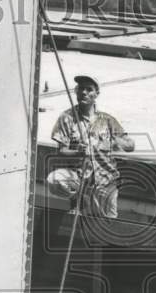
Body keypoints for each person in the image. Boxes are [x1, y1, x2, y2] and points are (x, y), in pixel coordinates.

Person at [48, 75, 135, 219]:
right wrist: (78, 153)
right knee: (55, 179)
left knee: (107, 226)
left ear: (96, 94)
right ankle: (79, 201)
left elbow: (130, 145)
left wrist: (113, 143)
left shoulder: (107, 120)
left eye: (89, 89)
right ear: (76, 91)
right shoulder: (67, 117)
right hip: (80, 179)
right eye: (81, 88)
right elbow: (62, 151)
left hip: (106, 181)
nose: (84, 92)